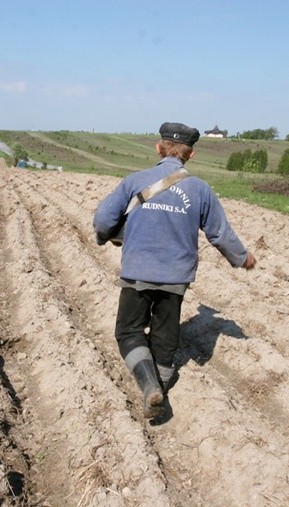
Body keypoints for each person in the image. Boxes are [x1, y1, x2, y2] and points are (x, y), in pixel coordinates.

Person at [93, 121, 257, 419]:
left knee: (129, 331)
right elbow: (219, 233)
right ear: (190, 155)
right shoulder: (200, 189)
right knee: (166, 338)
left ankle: (148, 385)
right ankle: (160, 389)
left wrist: (106, 237)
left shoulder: (135, 180)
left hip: (138, 272)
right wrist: (242, 257)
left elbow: (104, 218)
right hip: (176, 278)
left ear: (158, 148)